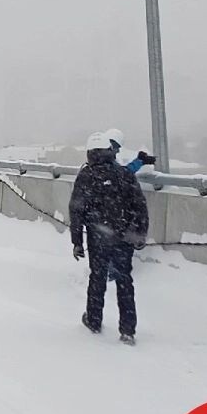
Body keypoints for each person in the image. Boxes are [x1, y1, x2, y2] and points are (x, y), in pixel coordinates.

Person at [69, 129, 155, 342]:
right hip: (123, 237)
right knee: (125, 281)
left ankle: (94, 320)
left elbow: (76, 210)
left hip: (98, 238)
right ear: (111, 151)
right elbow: (139, 205)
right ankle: (127, 330)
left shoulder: (86, 175)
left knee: (97, 278)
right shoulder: (124, 174)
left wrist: (77, 242)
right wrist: (139, 234)